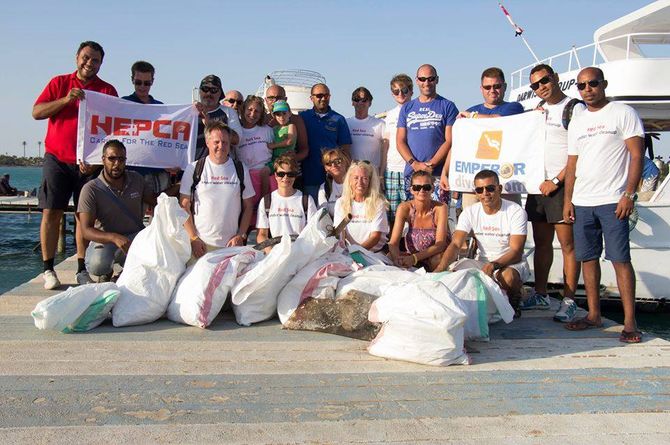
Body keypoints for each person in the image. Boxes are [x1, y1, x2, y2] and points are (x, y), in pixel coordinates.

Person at [563, 67, 645, 343]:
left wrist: (629, 194)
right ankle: (594, 315)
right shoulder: (577, 121)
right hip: (582, 201)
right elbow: (572, 165)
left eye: (593, 83)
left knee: (620, 259)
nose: (587, 89)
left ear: (604, 84)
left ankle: (630, 322)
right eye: (582, 85)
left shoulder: (623, 113)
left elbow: (636, 154)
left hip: (613, 200)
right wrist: (568, 201)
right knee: (587, 258)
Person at [32, 41, 118, 289]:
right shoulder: (59, 83)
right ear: (77, 58)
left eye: (95, 60)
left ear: (101, 64)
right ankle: (48, 269)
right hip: (57, 159)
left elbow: (114, 129)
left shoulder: (107, 90)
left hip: (89, 164)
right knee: (51, 211)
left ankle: (81, 268)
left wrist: (95, 163)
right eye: (86, 58)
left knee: (85, 218)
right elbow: (37, 112)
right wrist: (65, 100)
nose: (90, 63)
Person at [519, 64, 583, 322]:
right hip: (538, 186)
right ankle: (542, 292)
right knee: (541, 242)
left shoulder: (574, 108)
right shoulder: (538, 112)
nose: (540, 87)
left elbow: (577, 153)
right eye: (535, 85)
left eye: (544, 81)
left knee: (568, 245)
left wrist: (556, 181)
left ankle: (569, 300)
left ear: (555, 79)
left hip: (561, 186)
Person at [435, 170, 528, 313]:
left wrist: (493, 265)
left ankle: (514, 296)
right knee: (453, 272)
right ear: (476, 193)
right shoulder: (470, 211)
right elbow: (455, 244)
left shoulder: (515, 211)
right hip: (482, 261)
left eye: (490, 188)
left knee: (508, 277)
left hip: (509, 263)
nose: (485, 193)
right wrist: (440, 269)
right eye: (480, 189)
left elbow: (516, 252)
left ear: (499, 189)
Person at [77, 140, 156, 281]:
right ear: (103, 159)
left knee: (153, 259)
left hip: (134, 237)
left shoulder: (137, 179)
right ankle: (106, 271)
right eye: (111, 158)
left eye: (121, 159)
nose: (116, 163)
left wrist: (180, 187)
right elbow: (85, 230)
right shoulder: (91, 189)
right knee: (97, 266)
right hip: (106, 239)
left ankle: (123, 274)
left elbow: (155, 200)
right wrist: (114, 237)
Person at [179, 122, 255, 259]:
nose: (221, 146)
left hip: (230, 247)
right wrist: (193, 238)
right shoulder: (194, 168)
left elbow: (249, 205)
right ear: (207, 142)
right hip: (200, 245)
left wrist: (241, 234)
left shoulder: (240, 168)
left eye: (225, 142)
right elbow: (184, 206)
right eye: (216, 142)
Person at [397, 64, 458, 204]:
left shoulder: (448, 106)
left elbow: (450, 140)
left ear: (437, 80)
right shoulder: (407, 108)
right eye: (422, 79)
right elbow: (400, 141)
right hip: (412, 174)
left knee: (438, 219)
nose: (426, 83)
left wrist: (431, 165)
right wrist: (414, 164)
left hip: (437, 175)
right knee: (413, 220)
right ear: (417, 80)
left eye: (430, 79)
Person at [121, 61, 173, 198]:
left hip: (158, 173)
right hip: (132, 173)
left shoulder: (161, 108)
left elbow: (169, 139)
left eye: (147, 83)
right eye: (138, 82)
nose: (142, 87)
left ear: (152, 82)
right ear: (132, 80)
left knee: (160, 215)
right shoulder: (122, 104)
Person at [388, 171, 450, 272]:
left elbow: (440, 244)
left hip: (434, 256)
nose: (422, 190)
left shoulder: (441, 208)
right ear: (411, 189)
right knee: (390, 256)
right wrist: (397, 258)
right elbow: (393, 242)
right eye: (417, 187)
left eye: (426, 187)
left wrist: (414, 258)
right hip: (412, 256)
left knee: (437, 259)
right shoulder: (404, 208)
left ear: (433, 189)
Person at [299, 83, 352, 201]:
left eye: (326, 95)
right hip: (310, 176)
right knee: (312, 214)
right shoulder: (302, 117)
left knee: (335, 213)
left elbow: (346, 150)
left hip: (333, 178)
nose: (323, 98)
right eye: (319, 95)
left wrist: (346, 175)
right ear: (311, 98)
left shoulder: (339, 119)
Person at [256, 154, 317, 253]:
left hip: (300, 253)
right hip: (274, 253)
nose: (285, 177)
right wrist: (271, 253)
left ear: (295, 176)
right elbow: (261, 234)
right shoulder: (266, 201)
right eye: (281, 174)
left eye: (290, 174)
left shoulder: (306, 200)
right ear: (275, 175)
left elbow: (314, 232)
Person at [333, 161, 389, 252]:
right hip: (349, 252)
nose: (360, 182)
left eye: (365, 178)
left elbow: (375, 237)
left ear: (370, 182)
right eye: (356, 178)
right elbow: (340, 233)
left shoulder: (378, 203)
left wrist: (356, 252)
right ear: (349, 181)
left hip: (374, 253)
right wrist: (344, 252)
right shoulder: (341, 202)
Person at [383, 74, 413, 224]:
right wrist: (382, 171)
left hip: (411, 169)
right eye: (396, 91)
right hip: (392, 169)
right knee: (393, 215)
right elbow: (386, 144)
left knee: (413, 212)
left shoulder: (417, 110)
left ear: (411, 91)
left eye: (404, 90)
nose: (400, 94)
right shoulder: (389, 115)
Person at [236, 95, 275, 210]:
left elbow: (277, 154)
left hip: (266, 178)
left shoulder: (267, 130)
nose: (253, 114)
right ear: (243, 109)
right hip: (246, 180)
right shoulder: (237, 132)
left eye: (257, 111)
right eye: (250, 109)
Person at [193, 75, 242, 160]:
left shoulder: (229, 112)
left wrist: (211, 124)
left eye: (214, 90)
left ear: (220, 93)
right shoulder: (190, 111)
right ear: (200, 91)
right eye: (205, 89)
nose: (209, 93)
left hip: (221, 168)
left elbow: (236, 140)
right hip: (193, 167)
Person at [346, 87, 387, 175]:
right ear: (352, 103)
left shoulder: (381, 124)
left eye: (364, 100)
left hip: (373, 175)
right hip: (353, 175)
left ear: (370, 103)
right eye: (357, 99)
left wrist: (381, 175)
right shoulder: (345, 123)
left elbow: (385, 153)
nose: (360, 102)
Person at [263, 84, 309, 163]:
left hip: (289, 170)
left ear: (285, 99)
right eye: (271, 98)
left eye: (279, 97)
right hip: (266, 167)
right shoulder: (263, 120)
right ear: (266, 100)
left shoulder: (296, 120)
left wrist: (290, 162)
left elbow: (304, 149)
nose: (275, 101)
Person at [458, 67, 523, 118]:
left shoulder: (515, 107)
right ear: (481, 89)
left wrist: (472, 116)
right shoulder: (469, 112)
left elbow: (499, 119)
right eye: (487, 87)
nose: (492, 91)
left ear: (505, 87)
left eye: (497, 86)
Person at [318, 149, 352, 217]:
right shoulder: (324, 188)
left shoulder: (355, 183)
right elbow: (323, 215)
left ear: (345, 162)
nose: (333, 165)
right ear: (326, 168)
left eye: (338, 161)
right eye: (328, 163)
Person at [266, 100, 297, 168]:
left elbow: (289, 141)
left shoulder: (291, 126)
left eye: (284, 113)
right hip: (275, 160)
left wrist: (274, 146)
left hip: (287, 161)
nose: (281, 117)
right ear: (274, 116)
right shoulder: (274, 128)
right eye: (278, 114)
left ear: (289, 113)